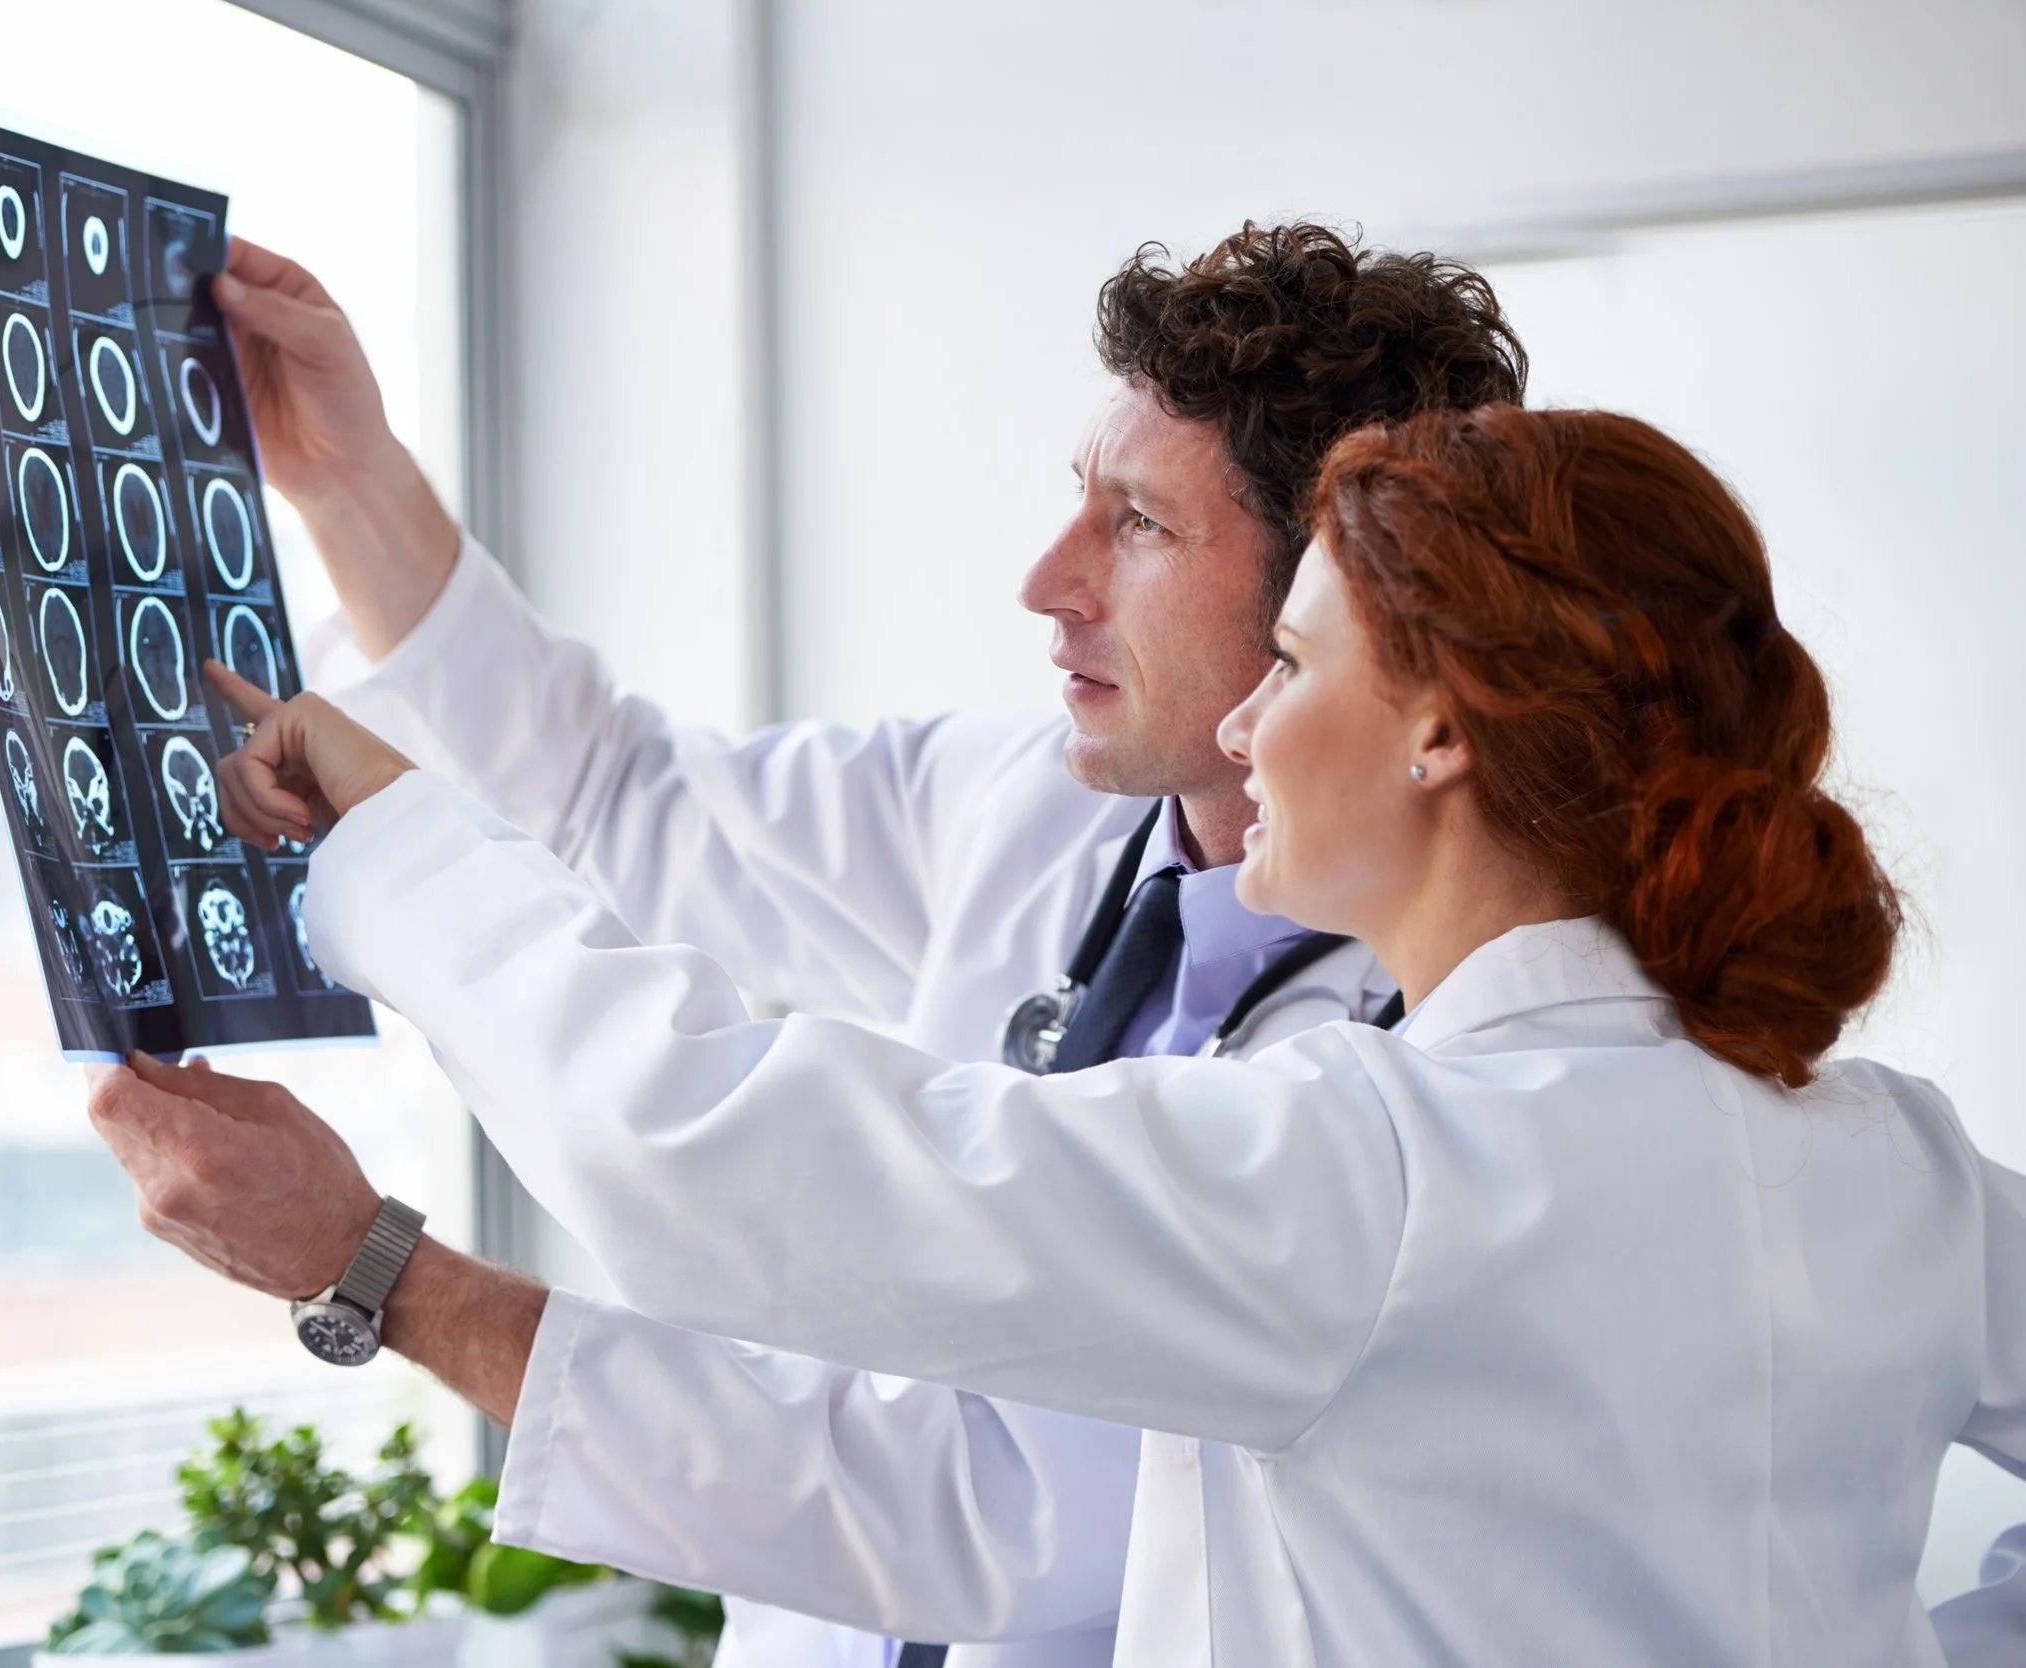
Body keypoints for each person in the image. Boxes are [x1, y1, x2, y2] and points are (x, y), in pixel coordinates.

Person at [111, 404, 2024, 1666]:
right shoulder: (1901, 1162)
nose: (1254, 728)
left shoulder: (1379, 1179)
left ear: (1442, 728)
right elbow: (654, 833)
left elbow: (733, 1155)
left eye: (1297, 662)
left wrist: (387, 834)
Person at [115, 224, 1519, 1667]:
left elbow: (974, 1516)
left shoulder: (1407, 1067)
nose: (1048, 581)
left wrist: (375, 1266)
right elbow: (621, 800)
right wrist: (344, 476)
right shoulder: (1031, 805)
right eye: (1079, 505)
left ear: (1334, 599)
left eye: (1141, 526)